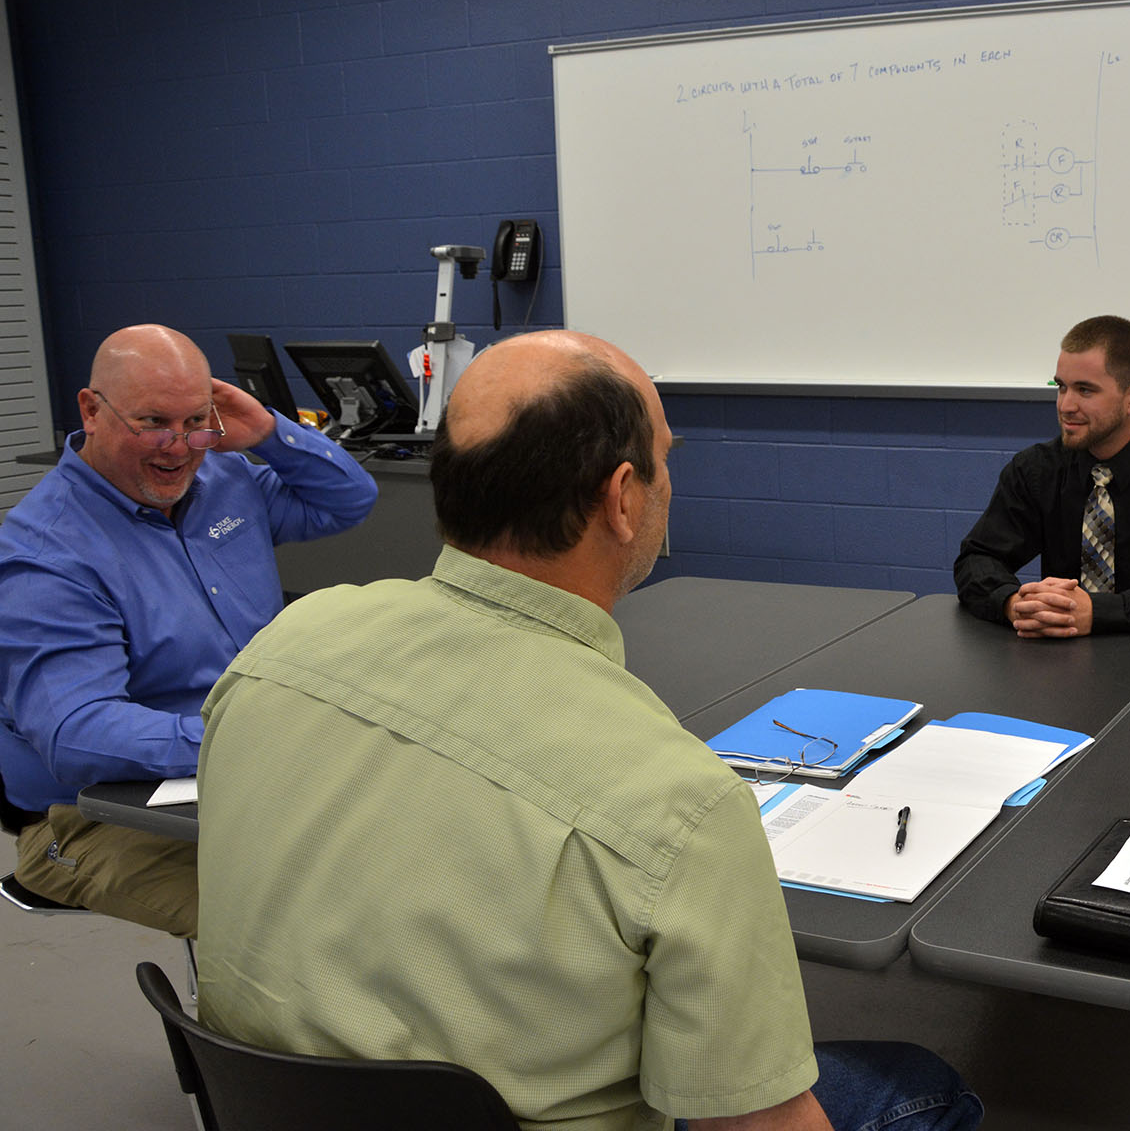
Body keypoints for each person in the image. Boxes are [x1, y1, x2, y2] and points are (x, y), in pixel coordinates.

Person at [196, 330, 982, 1131]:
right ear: (623, 497)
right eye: (665, 461)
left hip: (271, 1106)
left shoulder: (281, 647)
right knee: (917, 1086)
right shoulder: (681, 805)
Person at [0, 324, 377, 936]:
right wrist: (253, 737)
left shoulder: (221, 482)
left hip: (246, 771)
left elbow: (347, 501)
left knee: (401, 877)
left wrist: (270, 433)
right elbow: (75, 733)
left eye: (198, 423)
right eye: (152, 423)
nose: (178, 448)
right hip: (95, 816)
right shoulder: (47, 554)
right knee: (309, 930)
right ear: (91, 411)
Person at [954, 315, 1130, 636]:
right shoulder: (1035, 470)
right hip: (1059, 657)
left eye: (1085, 390)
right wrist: (1013, 603)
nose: (1066, 405)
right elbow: (977, 558)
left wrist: (1100, 612)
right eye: (1061, 387)